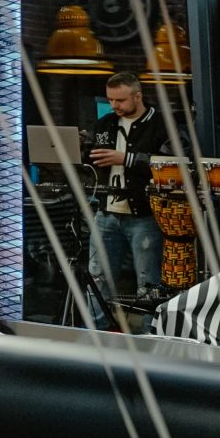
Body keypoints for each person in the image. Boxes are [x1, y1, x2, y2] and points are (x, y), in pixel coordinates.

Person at [87, 70, 168, 304]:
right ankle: (96, 324)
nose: (114, 105)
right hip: (107, 210)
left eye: (120, 100)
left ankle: (149, 327)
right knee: (98, 278)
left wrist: (127, 159)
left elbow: (171, 163)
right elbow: (92, 159)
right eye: (110, 99)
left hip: (144, 213)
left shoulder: (161, 124)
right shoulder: (105, 124)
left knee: (148, 281)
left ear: (137, 96)